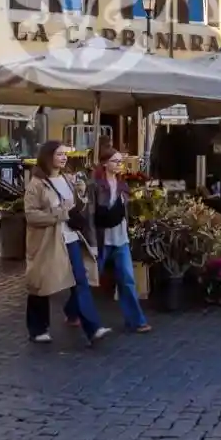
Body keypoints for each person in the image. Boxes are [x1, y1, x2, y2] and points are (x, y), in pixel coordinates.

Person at [24, 140, 109, 346]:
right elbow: (31, 215)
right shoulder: (36, 184)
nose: (64, 158)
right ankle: (38, 328)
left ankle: (93, 328)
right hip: (47, 243)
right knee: (41, 284)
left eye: (65, 155)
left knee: (80, 280)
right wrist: (60, 215)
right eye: (59, 154)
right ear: (48, 156)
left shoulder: (66, 179)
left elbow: (74, 208)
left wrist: (81, 195)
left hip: (70, 239)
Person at [78, 147, 150, 333]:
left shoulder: (123, 186)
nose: (119, 165)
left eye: (120, 161)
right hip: (102, 241)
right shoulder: (94, 186)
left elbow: (124, 214)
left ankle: (136, 321)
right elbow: (90, 217)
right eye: (115, 161)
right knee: (89, 278)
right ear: (104, 163)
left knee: (127, 279)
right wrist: (92, 243)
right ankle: (73, 311)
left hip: (121, 240)